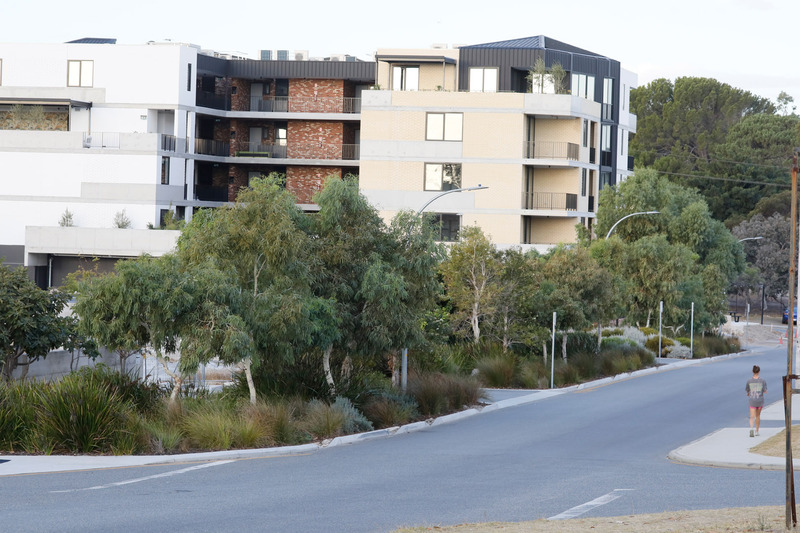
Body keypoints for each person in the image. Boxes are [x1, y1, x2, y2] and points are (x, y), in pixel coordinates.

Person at [745, 365, 767, 437]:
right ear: (759, 372)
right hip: (760, 400)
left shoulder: (749, 381)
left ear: (752, 371)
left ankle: (751, 429)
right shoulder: (762, 381)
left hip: (752, 400)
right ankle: (757, 431)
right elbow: (765, 391)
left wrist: (749, 393)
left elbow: (747, 391)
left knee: (752, 416)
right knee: (758, 416)